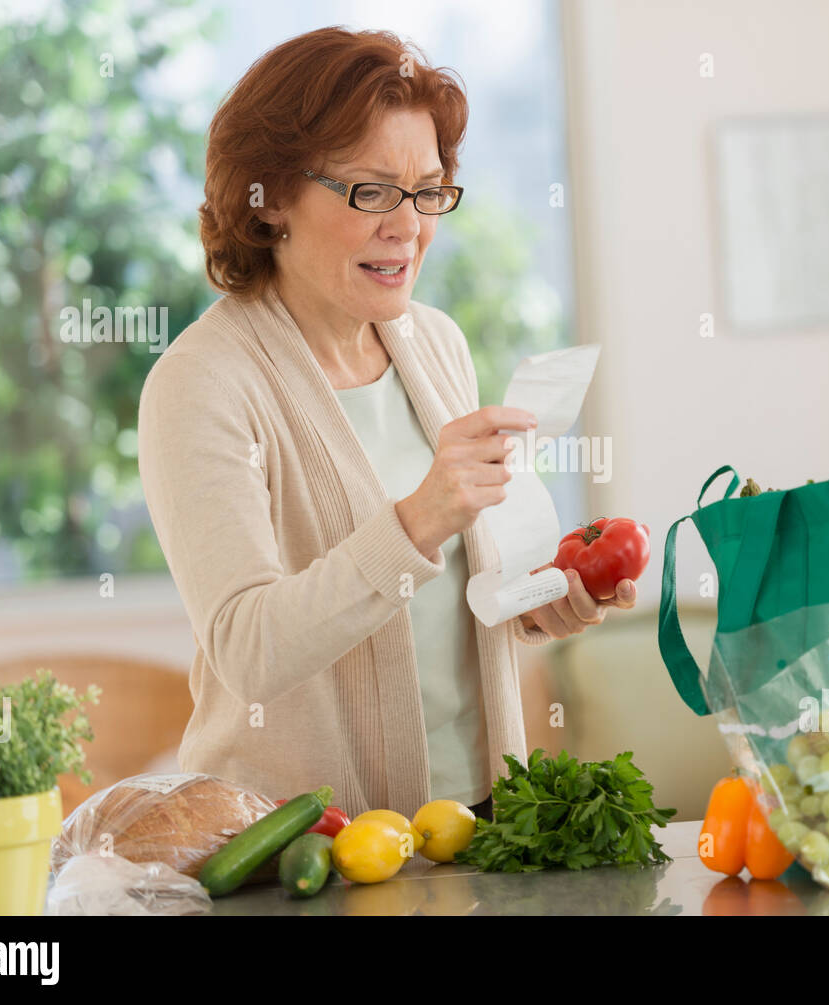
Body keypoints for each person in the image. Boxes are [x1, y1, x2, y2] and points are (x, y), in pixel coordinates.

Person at [137, 27, 636, 823]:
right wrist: (417, 520)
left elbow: (450, 602)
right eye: (371, 191)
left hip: (475, 823)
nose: (409, 226)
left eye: (429, 190)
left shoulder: (433, 342)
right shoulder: (202, 383)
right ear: (271, 202)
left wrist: (538, 601)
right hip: (300, 852)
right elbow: (249, 648)